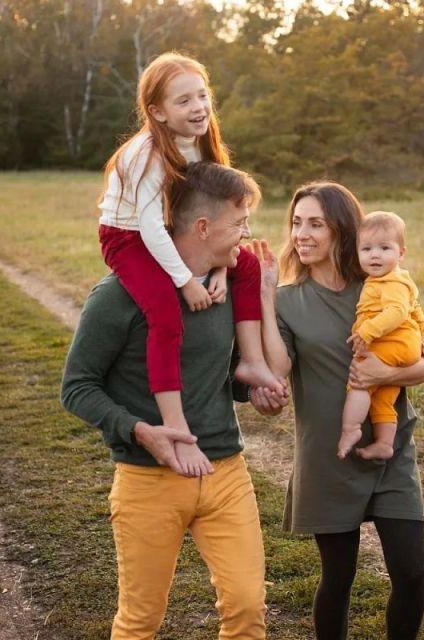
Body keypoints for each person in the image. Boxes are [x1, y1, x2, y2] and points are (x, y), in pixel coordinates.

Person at [62, 162, 269, 639]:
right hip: (147, 479)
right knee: (141, 620)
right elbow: (77, 387)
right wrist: (139, 431)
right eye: (239, 223)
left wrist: (252, 391)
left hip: (225, 471)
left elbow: (221, 372)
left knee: (246, 607)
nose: (246, 233)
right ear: (203, 227)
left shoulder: (225, 286)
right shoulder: (118, 296)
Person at [248, 183, 424, 640]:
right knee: (339, 576)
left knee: (411, 573)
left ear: (341, 230)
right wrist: (267, 298)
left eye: (316, 223)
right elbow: (279, 367)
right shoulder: (288, 299)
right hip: (328, 455)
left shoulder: (379, 286)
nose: (302, 234)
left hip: (390, 447)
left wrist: (383, 374)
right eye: (296, 223)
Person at [97, 51, 283, 475]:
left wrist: (220, 267)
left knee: (248, 266)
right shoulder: (143, 154)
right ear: (157, 112)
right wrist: (185, 281)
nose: (199, 107)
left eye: (202, 96)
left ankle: (251, 361)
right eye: (183, 101)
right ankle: (176, 423)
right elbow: (148, 228)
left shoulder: (201, 141)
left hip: (169, 230)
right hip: (129, 238)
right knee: (165, 316)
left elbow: (219, 208)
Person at [338, 210, 424, 460]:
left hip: (392, 342)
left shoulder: (390, 282)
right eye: (367, 249)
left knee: (361, 380)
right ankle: (384, 443)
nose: (375, 255)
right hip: (405, 346)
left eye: (384, 248)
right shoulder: (397, 280)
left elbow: (398, 312)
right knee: (382, 398)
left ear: (401, 253)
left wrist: (367, 331)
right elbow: (415, 310)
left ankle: (351, 428)